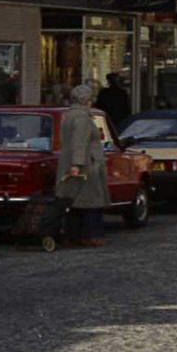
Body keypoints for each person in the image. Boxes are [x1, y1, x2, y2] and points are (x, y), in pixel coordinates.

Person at [58, 83, 111, 248]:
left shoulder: (69, 116)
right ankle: (91, 235)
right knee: (91, 202)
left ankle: (73, 235)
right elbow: (80, 142)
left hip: (70, 161)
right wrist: (78, 163)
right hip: (87, 164)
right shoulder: (83, 118)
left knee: (74, 202)